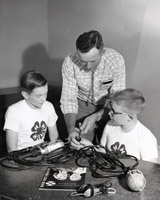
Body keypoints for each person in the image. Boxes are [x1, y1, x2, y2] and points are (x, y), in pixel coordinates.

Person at [60, 30, 126, 148]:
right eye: (83, 61)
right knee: (79, 147)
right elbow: (68, 99)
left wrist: (97, 115)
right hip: (82, 107)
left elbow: (117, 98)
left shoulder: (116, 60)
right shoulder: (69, 62)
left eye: (93, 61)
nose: (88, 66)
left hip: (109, 109)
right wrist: (70, 129)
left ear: (102, 51)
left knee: (108, 150)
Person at [80, 88, 158, 162]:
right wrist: (89, 147)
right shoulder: (109, 125)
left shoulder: (146, 138)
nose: (109, 113)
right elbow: (102, 152)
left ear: (130, 117)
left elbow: (149, 170)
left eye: (114, 111)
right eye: (111, 109)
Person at [3, 70, 59, 152]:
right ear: (25, 95)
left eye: (45, 93)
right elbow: (12, 149)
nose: (44, 99)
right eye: (38, 96)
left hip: (42, 155)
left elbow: (54, 138)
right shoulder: (14, 111)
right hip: (21, 158)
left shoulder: (48, 106)